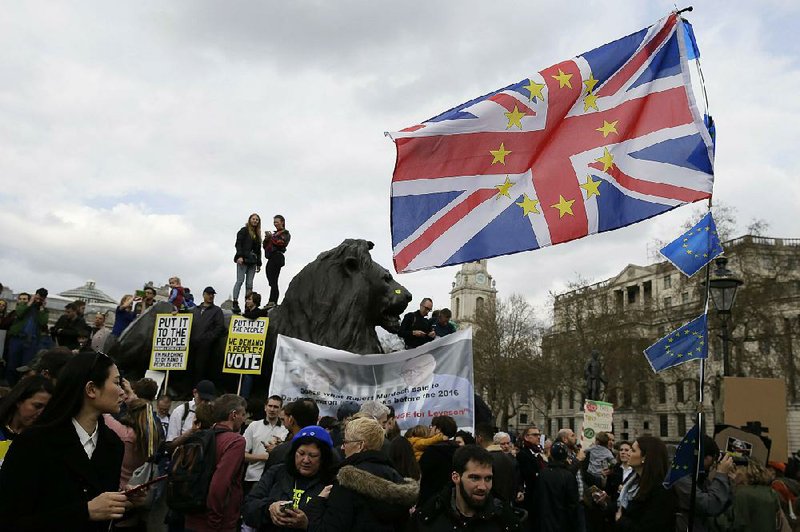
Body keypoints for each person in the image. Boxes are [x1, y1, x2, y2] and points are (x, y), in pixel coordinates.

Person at [0, 351, 136, 530]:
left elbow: (102, 517)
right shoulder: (34, 443)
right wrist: (85, 511)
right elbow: (9, 519)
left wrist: (124, 501)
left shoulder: (113, 444)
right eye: (117, 382)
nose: (122, 393)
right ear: (91, 389)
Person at [305, 417, 419, 531]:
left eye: (346, 442)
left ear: (360, 445)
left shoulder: (346, 480)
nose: (342, 447)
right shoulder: (396, 478)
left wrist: (317, 503)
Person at [242, 425, 336, 531]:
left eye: (313, 456)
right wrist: (269, 508)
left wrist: (307, 524)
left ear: (324, 458)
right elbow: (248, 507)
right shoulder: (277, 472)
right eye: (301, 453)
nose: (306, 460)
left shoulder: (331, 483)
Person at [413, 444, 527, 531]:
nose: (483, 486)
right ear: (456, 477)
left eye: (488, 479)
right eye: (475, 478)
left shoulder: (505, 520)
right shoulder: (427, 518)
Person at [184, 394, 248, 532]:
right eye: (243, 414)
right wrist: (215, 522)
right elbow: (220, 484)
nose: (244, 419)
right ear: (233, 415)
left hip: (191, 516)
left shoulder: (201, 435)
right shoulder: (235, 441)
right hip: (217, 523)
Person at [673, 435, 734, 532]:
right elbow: (709, 505)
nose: (713, 463)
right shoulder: (680, 477)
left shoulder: (697, 476)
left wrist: (728, 481)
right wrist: (721, 474)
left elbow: (721, 505)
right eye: (713, 458)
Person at [614, 435, 675, 531]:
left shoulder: (661, 489)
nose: (628, 453)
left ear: (645, 457)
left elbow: (651, 527)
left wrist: (621, 521)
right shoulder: (634, 481)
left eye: (633, 450)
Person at [243, 395, 289, 493]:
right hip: (253, 477)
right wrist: (264, 457)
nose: (272, 409)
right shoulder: (254, 426)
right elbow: (242, 454)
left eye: (276, 407)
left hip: (277, 479)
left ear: (281, 410)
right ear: (265, 407)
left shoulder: (286, 429)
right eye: (270, 406)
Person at [5, 288, 49, 385]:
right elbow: (19, 313)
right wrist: (30, 301)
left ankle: (21, 386)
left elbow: (43, 322)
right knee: (12, 365)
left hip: (31, 341)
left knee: (26, 366)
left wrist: (42, 307)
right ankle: (11, 384)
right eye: (38, 297)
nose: (38, 300)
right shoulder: (24, 305)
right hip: (17, 339)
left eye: (41, 298)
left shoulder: (43, 310)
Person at [417, 415, 460, 506]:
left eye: (432, 427)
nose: (430, 429)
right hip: (453, 500)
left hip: (431, 500)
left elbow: (420, 472)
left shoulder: (432, 451)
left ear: (438, 429)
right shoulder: (459, 450)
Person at [188, 287, 225, 385]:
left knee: (201, 369)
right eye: (209, 294)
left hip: (206, 346)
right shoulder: (194, 310)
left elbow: (219, 327)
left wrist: (208, 339)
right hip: (192, 344)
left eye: (212, 294)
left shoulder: (217, 310)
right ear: (204, 294)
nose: (211, 296)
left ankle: (198, 392)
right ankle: (189, 392)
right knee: (190, 368)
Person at [0, 374, 54, 440]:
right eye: (37, 406)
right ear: (19, 401)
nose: (41, 413)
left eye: (46, 409)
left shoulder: (41, 439)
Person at [232, 213, 263, 315]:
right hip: (243, 259)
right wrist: (239, 256)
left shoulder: (258, 234)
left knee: (249, 284)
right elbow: (238, 243)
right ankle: (235, 302)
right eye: (253, 219)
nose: (255, 221)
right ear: (250, 220)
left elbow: (258, 250)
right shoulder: (244, 230)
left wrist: (259, 263)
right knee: (240, 281)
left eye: (257, 220)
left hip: (253, 262)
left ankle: (248, 305)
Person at [263, 214, 291, 308]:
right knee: (271, 280)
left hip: (277, 256)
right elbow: (265, 246)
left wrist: (271, 237)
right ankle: (272, 300)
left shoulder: (285, 233)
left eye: (277, 222)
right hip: (270, 257)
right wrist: (267, 239)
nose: (275, 224)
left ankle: (273, 301)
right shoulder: (275, 234)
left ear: (282, 222)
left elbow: (281, 243)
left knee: (274, 280)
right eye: (274, 222)